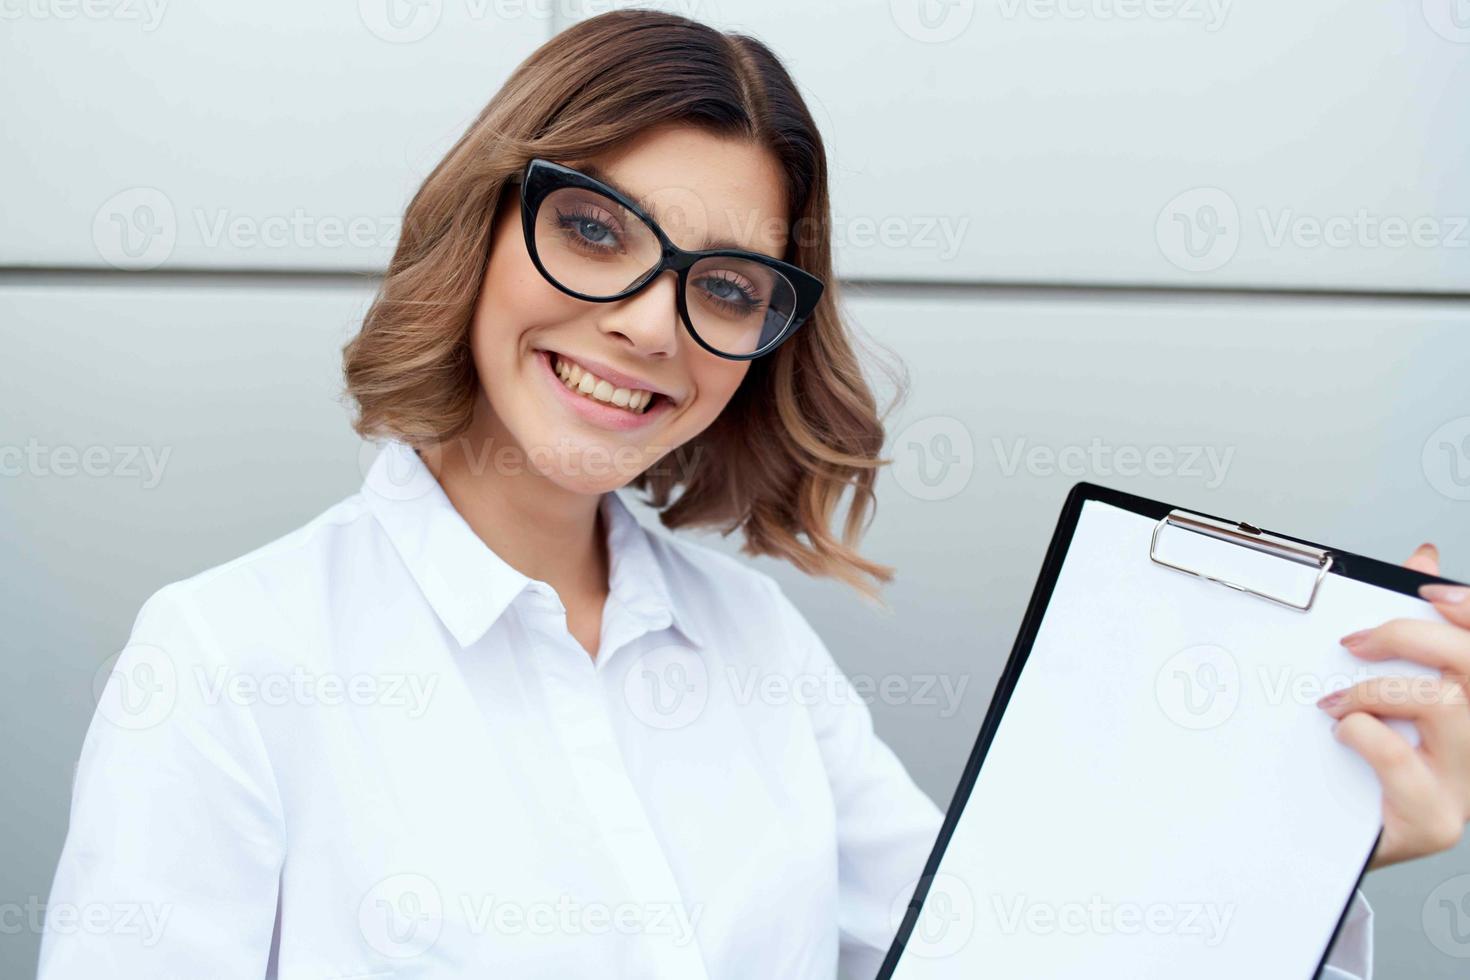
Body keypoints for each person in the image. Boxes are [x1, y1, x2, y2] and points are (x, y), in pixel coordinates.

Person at [38, 10, 1470, 979]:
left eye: (723, 283)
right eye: (594, 231)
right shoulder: (229, 659)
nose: (651, 325)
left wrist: (1312, 827)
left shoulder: (754, 651)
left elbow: (996, 955)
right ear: (480, 227)